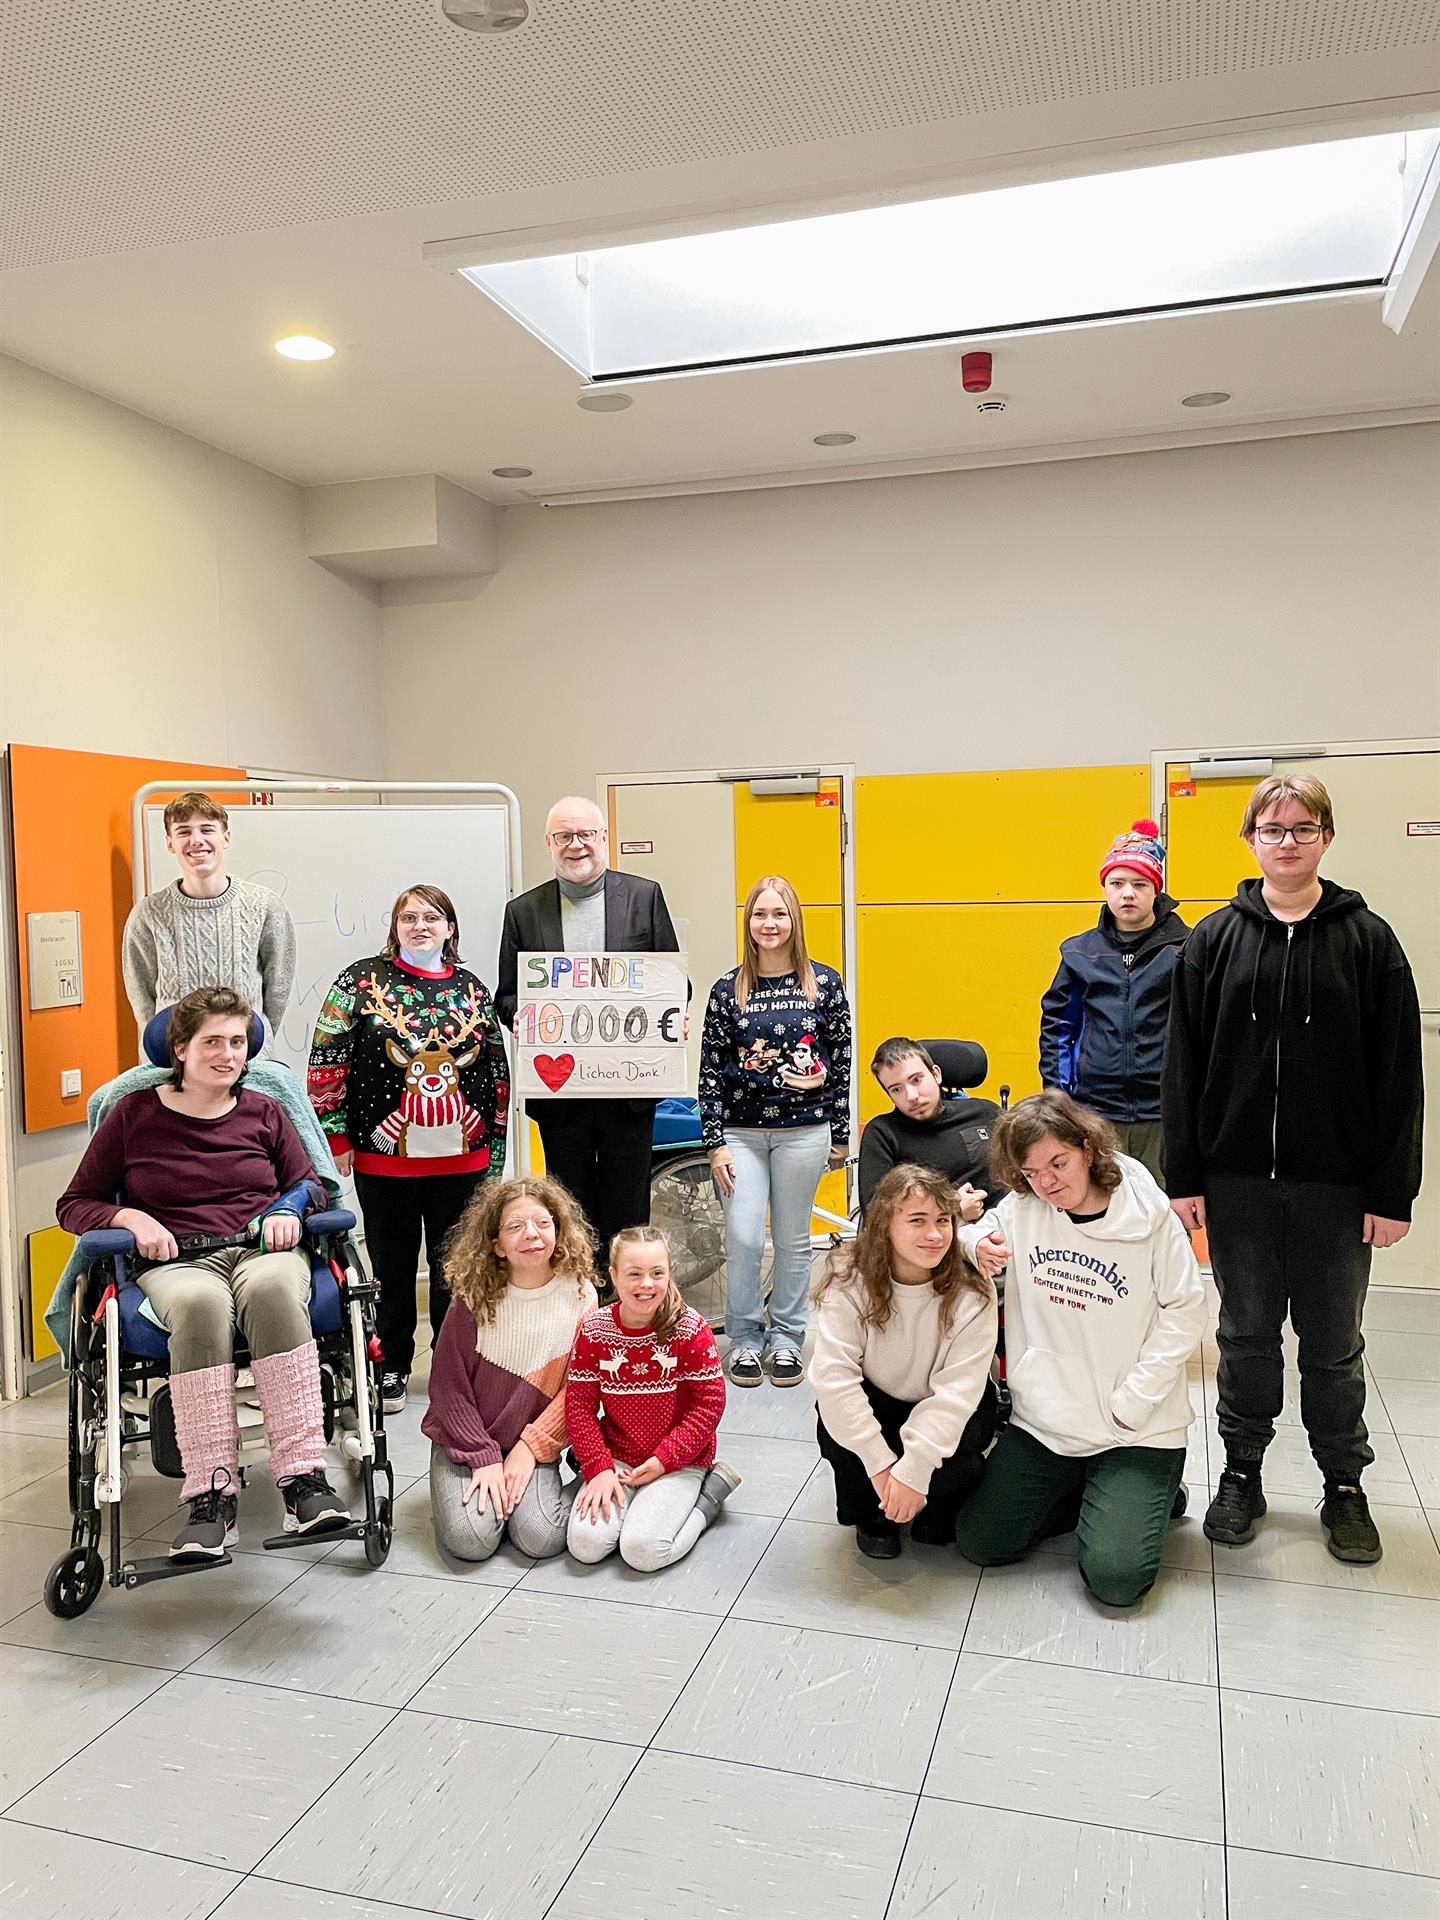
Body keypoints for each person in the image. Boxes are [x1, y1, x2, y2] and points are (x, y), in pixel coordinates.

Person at [1163, 774, 1423, 1565]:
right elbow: (1184, 1066)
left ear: (1325, 838)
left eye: (1302, 828)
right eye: (1272, 829)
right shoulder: (1213, 941)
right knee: (1244, 1337)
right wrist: (1185, 1177)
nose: (1287, 841)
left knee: (1333, 1344)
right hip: (1236, 1183)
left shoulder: (1368, 941)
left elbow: (1399, 1076)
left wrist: (1392, 1191)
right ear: (1250, 841)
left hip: (1337, 1189)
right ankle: (1242, 1474)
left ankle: (1343, 1485)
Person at [57, 987, 351, 1559]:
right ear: (180, 1049)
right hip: (177, 1260)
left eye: (237, 1042)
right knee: (200, 1305)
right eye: (212, 1041)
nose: (228, 1054)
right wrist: (129, 1217)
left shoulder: (263, 1110)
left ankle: (303, 1481)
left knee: (272, 1290)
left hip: (259, 1252)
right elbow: (74, 1204)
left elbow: (310, 1183)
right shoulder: (133, 1115)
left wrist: (290, 1208)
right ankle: (211, 1495)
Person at [953, 1091, 1205, 1608]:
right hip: (1048, 1420)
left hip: (1131, 1425)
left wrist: (1136, 1399)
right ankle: (1095, 1494)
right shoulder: (1024, 1208)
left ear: (1088, 1149)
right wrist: (973, 1243)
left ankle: (1150, 1492)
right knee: (982, 1542)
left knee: (1116, 1580)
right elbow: (973, 1234)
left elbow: (1186, 1311)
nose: (1047, 1182)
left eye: (1058, 1163)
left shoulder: (1150, 1217)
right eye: (1031, 1172)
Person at [308, 883, 509, 1413]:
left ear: (450, 928)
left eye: (431, 917)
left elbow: (496, 1070)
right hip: (384, 1160)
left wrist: (496, 1149)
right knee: (391, 1268)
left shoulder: (472, 990)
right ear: (395, 927)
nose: (420, 926)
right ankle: (391, 1364)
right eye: (409, 918)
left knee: (457, 1268)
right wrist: (335, 1134)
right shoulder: (360, 982)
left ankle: (452, 1367)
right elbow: (326, 1057)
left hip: (463, 1161)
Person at [495, 796, 682, 1267]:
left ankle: (625, 1302)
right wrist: (521, 1015)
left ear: (603, 838)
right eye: (564, 836)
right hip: (561, 1094)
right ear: (549, 843)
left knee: (628, 1209)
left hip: (629, 1090)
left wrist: (671, 1011)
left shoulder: (644, 896)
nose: (575, 845)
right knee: (568, 1209)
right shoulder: (523, 911)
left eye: (585, 835)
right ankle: (579, 1299)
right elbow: (507, 995)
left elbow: (675, 983)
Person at [699, 875, 853, 1389]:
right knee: (744, 1238)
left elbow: (842, 1062)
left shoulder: (824, 984)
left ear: (794, 920)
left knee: (792, 1240)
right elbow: (710, 1071)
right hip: (740, 1134)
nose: (769, 924)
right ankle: (744, 1338)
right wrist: (714, 1143)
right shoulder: (728, 989)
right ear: (748, 922)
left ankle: (787, 1337)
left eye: (779, 913)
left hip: (804, 1132)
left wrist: (839, 1133)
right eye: (760, 914)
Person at [812, 1164, 998, 1559]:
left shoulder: (973, 1289)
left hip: (941, 1407)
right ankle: (873, 1515)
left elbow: (958, 1394)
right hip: (879, 1400)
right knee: (834, 1423)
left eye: (943, 1220)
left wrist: (916, 1469)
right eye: (917, 1220)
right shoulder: (849, 1278)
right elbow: (834, 1379)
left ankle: (937, 1500)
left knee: (961, 1454)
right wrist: (880, 1467)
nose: (934, 1234)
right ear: (885, 1226)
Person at [422, 1176, 597, 1562]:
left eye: (543, 1223)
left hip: (529, 1441)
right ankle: (484, 1499)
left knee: (541, 1537)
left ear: (558, 1231)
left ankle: (597, 1473)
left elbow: (577, 1391)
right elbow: (448, 1388)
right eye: (515, 1226)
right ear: (497, 1245)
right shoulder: (472, 1297)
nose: (531, 1234)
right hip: (467, 1438)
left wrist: (529, 1449)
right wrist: (483, 1457)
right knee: (471, 1541)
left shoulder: (581, 1294)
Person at [564, 1226, 740, 1570]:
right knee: (585, 1545)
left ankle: (707, 1501)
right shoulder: (595, 1330)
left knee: (643, 1551)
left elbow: (709, 1405)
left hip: (678, 1460)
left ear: (669, 1273)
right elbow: (579, 1406)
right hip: (618, 1456)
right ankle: (630, 1502)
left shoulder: (691, 1329)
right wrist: (598, 1468)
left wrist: (665, 1459)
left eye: (657, 1273)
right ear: (613, 1275)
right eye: (634, 1274)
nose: (647, 1284)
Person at [1038, 818, 1188, 1185]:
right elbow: (1058, 1028)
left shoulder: (1187, 948)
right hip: (1095, 1111)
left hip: (1165, 1111)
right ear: (1105, 888)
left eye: (1140, 884)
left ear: (1156, 889)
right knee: (1100, 1201)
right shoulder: (1079, 953)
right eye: (1117, 883)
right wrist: (1058, 1098)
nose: (1128, 894)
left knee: (1165, 1207)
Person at [122, 792, 296, 1040]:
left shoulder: (265, 906)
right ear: (170, 843)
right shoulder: (147, 914)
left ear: (226, 838)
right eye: (183, 831)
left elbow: (278, 988)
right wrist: (165, 1050)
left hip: (248, 1056)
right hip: (177, 1059)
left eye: (207, 829)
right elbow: (141, 996)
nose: (196, 840)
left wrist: (255, 1043)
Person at [858, 1037, 998, 1216]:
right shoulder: (883, 1134)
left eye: (916, 1080)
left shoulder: (985, 1112)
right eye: (896, 1089)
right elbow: (876, 1214)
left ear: (936, 1074)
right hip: (934, 1232)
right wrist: (950, 1212)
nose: (911, 1096)